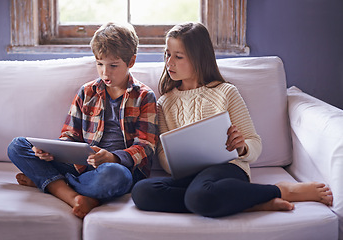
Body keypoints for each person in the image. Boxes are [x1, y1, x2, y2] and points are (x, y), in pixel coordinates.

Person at [131, 22, 333, 218]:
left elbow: (254, 142)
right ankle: (246, 204)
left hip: (227, 169)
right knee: (142, 192)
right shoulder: (165, 102)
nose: (169, 62)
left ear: (198, 58)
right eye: (167, 54)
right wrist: (177, 160)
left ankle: (279, 190)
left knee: (200, 195)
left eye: (178, 56)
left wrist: (242, 147)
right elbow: (164, 157)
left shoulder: (225, 92)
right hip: (190, 176)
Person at [7, 22, 158, 219]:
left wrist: (112, 157)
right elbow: (69, 135)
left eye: (113, 66)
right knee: (17, 146)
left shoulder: (144, 96)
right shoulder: (87, 92)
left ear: (131, 62)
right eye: (100, 64)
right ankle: (73, 195)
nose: (105, 73)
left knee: (115, 176)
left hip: (116, 168)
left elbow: (146, 146)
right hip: (80, 166)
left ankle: (49, 181)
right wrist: (52, 152)